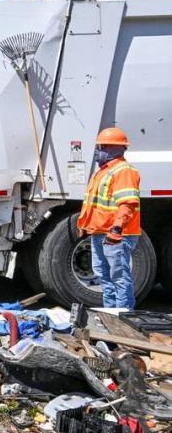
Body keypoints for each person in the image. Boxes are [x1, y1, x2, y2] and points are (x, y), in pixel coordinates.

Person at [77, 127, 141, 309]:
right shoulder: (103, 171)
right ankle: (111, 315)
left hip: (116, 235)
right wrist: (84, 224)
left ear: (116, 149)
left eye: (102, 147)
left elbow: (127, 204)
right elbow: (94, 203)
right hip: (100, 233)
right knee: (103, 276)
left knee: (118, 277)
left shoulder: (123, 171)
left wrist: (117, 230)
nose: (98, 151)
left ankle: (123, 316)